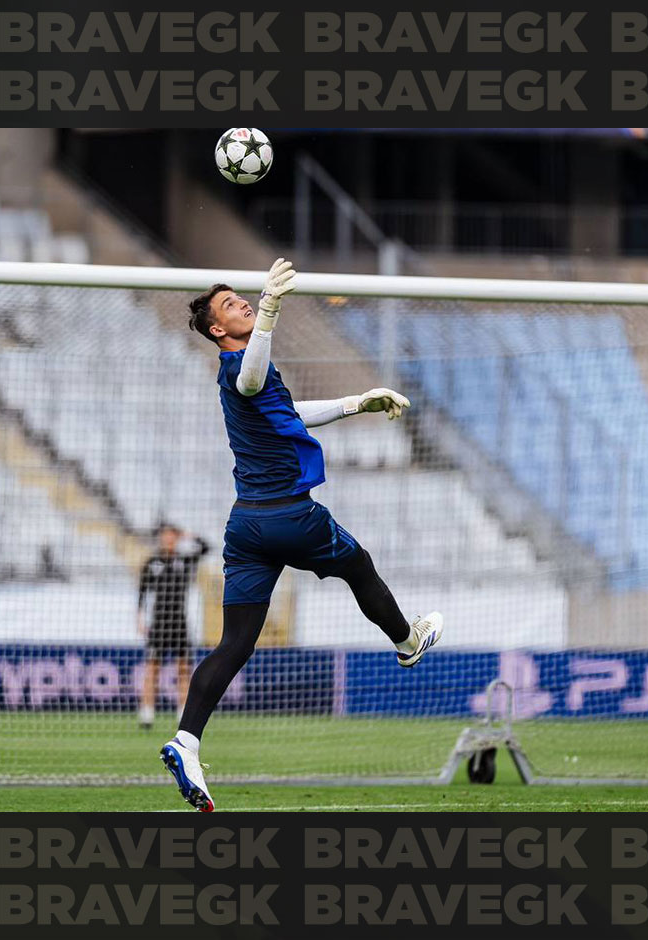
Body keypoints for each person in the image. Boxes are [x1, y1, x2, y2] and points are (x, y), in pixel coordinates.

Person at [159, 257, 443, 812]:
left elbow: (286, 409)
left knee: (235, 644)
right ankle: (407, 643)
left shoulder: (251, 371)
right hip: (289, 516)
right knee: (359, 565)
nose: (240, 302)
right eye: (229, 304)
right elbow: (251, 375)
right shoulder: (239, 362)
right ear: (219, 330)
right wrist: (268, 310)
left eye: (243, 298)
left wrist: (356, 402)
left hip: (246, 526)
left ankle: (187, 740)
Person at [137, 524, 210, 730]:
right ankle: (147, 713)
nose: (168, 539)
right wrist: (140, 618)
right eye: (165, 536)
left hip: (179, 622)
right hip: (158, 622)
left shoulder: (185, 561)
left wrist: (189, 534)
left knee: (184, 669)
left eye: (172, 536)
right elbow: (142, 592)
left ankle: (182, 713)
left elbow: (206, 547)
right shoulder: (152, 563)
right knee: (152, 668)